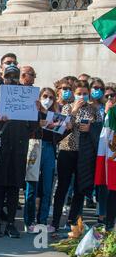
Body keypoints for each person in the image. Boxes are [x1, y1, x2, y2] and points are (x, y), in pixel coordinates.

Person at [0, 64, 38, 238]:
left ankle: (10, 223)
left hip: (19, 147)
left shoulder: (27, 97)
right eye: (8, 76)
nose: (12, 80)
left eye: (15, 77)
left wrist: (36, 111)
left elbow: (33, 127)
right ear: (2, 77)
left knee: (14, 188)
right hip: (0, 149)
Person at [51, 81, 103, 235]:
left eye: (84, 93)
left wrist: (91, 128)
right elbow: (59, 127)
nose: (82, 96)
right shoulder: (67, 107)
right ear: (74, 93)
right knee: (62, 187)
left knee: (80, 188)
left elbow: (100, 130)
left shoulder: (93, 109)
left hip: (84, 153)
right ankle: (55, 221)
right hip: (67, 151)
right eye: (79, 93)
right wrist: (73, 111)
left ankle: (73, 221)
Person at [24, 88, 59, 234]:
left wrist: (67, 128)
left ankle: (42, 220)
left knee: (47, 187)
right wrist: (38, 120)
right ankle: (29, 220)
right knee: (31, 185)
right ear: (39, 97)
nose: (48, 99)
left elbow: (58, 137)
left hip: (50, 149)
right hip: (35, 146)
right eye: (45, 96)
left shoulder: (55, 116)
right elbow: (27, 128)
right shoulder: (33, 112)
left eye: (51, 97)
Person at [95, 82, 116, 231]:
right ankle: (109, 225)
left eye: (112, 95)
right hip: (113, 157)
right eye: (107, 96)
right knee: (113, 192)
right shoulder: (113, 113)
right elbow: (105, 138)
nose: (109, 98)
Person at [89, 77, 107, 224]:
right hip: (87, 149)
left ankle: (102, 214)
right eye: (95, 87)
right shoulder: (85, 106)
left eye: (101, 88)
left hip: (103, 151)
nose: (98, 91)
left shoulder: (106, 108)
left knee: (102, 184)